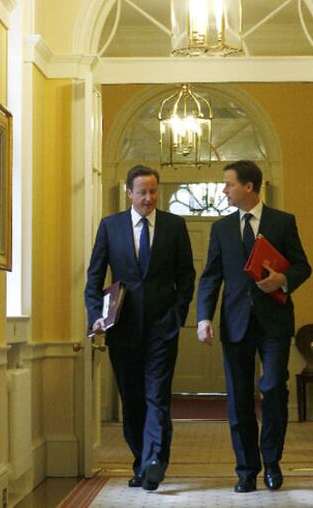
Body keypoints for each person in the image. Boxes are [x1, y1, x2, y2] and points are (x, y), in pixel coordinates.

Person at [197, 160, 311, 493]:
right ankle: (246, 469)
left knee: (274, 387)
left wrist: (283, 279)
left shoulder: (282, 222)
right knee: (239, 399)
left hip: (274, 322)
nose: (224, 190)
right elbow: (210, 278)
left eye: (228, 184)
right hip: (235, 324)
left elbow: (303, 266)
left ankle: (272, 463)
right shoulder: (220, 228)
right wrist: (204, 317)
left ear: (249, 187)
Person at [85, 165, 195, 491]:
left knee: (157, 398)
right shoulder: (110, 227)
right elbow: (94, 278)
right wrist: (96, 315)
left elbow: (186, 277)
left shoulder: (174, 226)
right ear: (129, 193)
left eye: (153, 191)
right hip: (123, 330)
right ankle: (140, 461)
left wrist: (177, 315)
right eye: (142, 192)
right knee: (132, 401)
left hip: (163, 328)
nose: (148, 198)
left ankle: (154, 463)